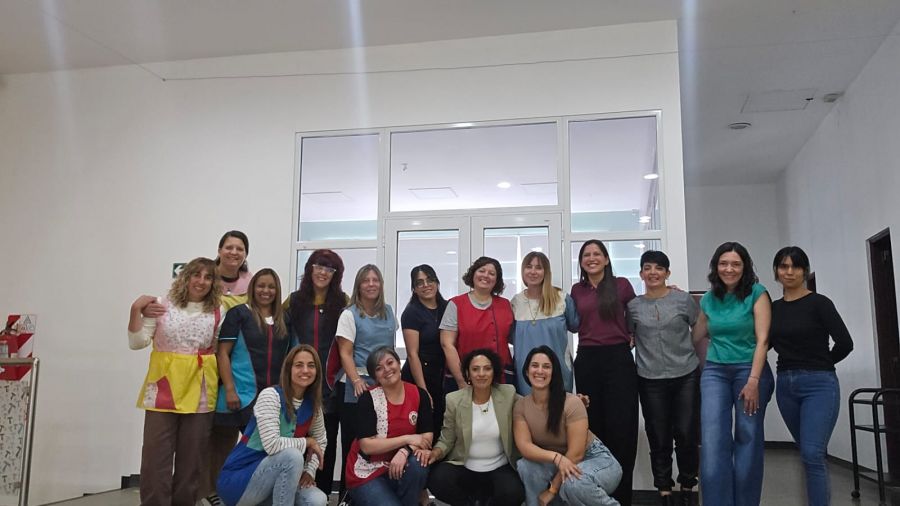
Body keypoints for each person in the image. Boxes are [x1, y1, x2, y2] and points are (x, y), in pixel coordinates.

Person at [128, 257, 223, 506]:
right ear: (185, 277)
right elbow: (137, 342)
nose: (201, 281)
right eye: (196, 275)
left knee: (192, 459)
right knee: (155, 457)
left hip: (200, 390)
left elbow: (218, 349)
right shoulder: (161, 305)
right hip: (163, 387)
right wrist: (135, 309)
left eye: (208, 277)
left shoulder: (218, 312)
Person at [770, 246, 853, 506]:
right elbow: (762, 344)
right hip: (785, 385)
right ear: (776, 271)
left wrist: (822, 364)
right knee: (807, 453)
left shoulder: (820, 303)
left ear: (805, 271)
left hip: (819, 385)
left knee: (812, 453)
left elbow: (845, 343)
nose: (789, 272)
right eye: (784, 266)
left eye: (795, 266)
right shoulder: (773, 308)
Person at [692, 242, 774, 506]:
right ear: (716, 267)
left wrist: (753, 381)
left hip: (749, 371)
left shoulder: (757, 293)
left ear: (745, 267)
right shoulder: (709, 299)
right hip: (715, 371)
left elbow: (763, 340)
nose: (729, 269)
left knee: (748, 437)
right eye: (724, 263)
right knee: (713, 440)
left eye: (736, 264)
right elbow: (696, 335)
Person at [627, 251, 700, 506]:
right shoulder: (633, 306)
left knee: (687, 433)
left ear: (667, 273)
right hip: (650, 378)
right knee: (658, 436)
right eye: (647, 268)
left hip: (685, 374)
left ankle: (688, 486)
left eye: (659, 268)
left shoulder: (683, 299)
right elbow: (630, 337)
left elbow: (699, 327)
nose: (653, 273)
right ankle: (664, 490)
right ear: (641, 274)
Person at [211, 268, 295, 488]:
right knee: (226, 450)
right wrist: (230, 389)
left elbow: (291, 357)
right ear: (252, 288)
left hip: (273, 397)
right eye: (261, 285)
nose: (265, 291)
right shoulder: (238, 314)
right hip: (241, 395)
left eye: (271, 286)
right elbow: (222, 353)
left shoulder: (285, 319)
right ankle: (217, 492)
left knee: (265, 450)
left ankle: (256, 494)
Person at [216, 344, 328, 506]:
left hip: (278, 480)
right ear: (288, 369)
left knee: (317, 500)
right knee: (293, 456)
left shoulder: (313, 406)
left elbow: (321, 440)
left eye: (311, 366)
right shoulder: (271, 396)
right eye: (299, 365)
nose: (305, 370)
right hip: (239, 481)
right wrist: (308, 442)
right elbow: (272, 445)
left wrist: (309, 471)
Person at [569, 240, 637, 505]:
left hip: (618, 359)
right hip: (587, 359)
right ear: (581, 261)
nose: (592, 258)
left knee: (623, 430)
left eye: (597, 253)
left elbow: (638, 313)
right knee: (594, 429)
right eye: (586, 255)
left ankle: (623, 498)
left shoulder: (622, 285)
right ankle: (597, 497)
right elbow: (572, 324)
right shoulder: (577, 290)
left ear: (607, 259)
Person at [513, 346, 622, 506]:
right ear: (527, 371)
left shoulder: (572, 403)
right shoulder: (521, 406)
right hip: (558, 460)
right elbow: (525, 446)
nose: (540, 371)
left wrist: (552, 490)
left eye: (546, 366)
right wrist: (557, 458)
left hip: (594, 458)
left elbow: (576, 454)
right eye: (535, 365)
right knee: (525, 466)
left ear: (554, 373)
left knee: (573, 483)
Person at [329, 265, 398, 492]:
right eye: (366, 280)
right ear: (358, 285)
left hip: (384, 386)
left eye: (375, 280)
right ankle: (347, 495)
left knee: (381, 441)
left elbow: (390, 349)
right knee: (353, 444)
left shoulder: (389, 312)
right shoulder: (349, 314)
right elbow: (345, 353)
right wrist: (357, 380)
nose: (371, 284)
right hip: (355, 388)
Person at [427, 348, 525, 506]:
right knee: (438, 480)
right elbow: (446, 440)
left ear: (494, 372)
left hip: (500, 467)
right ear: (468, 373)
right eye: (475, 369)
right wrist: (435, 452)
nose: (481, 374)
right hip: (465, 466)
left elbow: (530, 405)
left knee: (514, 493)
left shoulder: (508, 394)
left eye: (487, 368)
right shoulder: (454, 400)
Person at [286, 249, 348, 495]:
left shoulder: (343, 302)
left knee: (326, 441)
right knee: (295, 438)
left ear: (336, 274)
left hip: (330, 384)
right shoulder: (293, 301)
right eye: (318, 267)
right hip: (297, 383)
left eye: (329, 269)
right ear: (310, 269)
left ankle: (320, 494)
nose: (323, 273)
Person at [345, 347, 432, 506]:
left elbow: (426, 437)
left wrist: (405, 451)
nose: (386, 369)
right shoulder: (368, 398)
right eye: (379, 368)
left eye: (390, 363)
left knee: (419, 463)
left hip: (401, 466)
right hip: (368, 471)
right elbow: (367, 446)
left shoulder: (420, 394)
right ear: (375, 376)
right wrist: (407, 439)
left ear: (399, 364)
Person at [440, 256, 515, 393]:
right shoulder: (456, 304)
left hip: (501, 377)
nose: (486, 275)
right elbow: (447, 344)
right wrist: (461, 381)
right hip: (465, 376)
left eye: (492, 273)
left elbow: (514, 338)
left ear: (497, 280)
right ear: (473, 274)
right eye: (481, 271)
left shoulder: (505, 305)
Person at [510, 251, 579, 394]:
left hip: (558, 372)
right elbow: (510, 337)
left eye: (538, 267)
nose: (533, 271)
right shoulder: (515, 303)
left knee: (559, 407)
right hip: (525, 375)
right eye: (529, 267)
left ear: (546, 272)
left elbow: (576, 326)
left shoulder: (561, 299)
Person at [401, 264, 449, 432]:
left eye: (430, 280)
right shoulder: (411, 312)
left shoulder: (447, 307)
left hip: (442, 375)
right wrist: (423, 390)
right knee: (423, 426)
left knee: (442, 425)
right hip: (419, 375)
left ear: (437, 282)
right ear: (414, 289)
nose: (426, 285)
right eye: (419, 282)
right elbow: (412, 354)